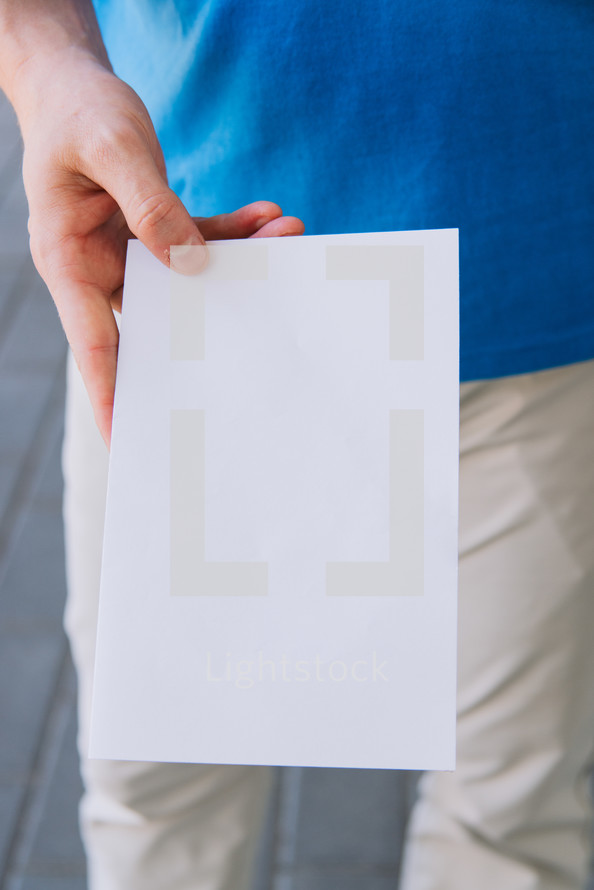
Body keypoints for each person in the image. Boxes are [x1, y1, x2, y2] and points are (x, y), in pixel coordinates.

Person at [1, 1, 593, 889]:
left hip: (539, 292)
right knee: (160, 793)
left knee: (511, 814)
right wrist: (50, 67)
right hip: (187, 287)